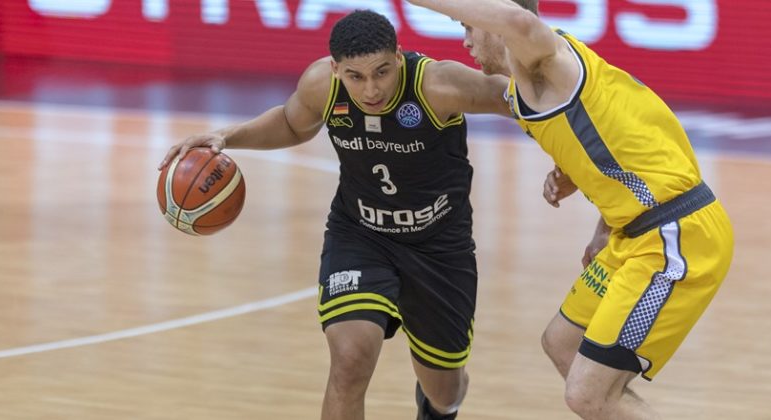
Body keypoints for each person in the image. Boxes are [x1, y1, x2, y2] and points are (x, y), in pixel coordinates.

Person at [158, 10, 511, 420]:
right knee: (349, 360)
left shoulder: (438, 85)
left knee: (445, 393)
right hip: (361, 234)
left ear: (399, 57)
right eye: (355, 76)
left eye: (381, 72)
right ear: (336, 69)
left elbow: (525, 100)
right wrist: (226, 136)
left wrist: (565, 166)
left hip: (438, 246)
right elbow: (291, 123)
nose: (371, 89)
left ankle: (436, 406)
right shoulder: (322, 85)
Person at [404, 1, 736, 418]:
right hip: (633, 231)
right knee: (562, 343)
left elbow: (519, 20)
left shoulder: (550, 65)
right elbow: (628, 139)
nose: (466, 40)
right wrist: (585, 196)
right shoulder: (527, 89)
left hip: (676, 234)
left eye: (469, 26)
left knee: (587, 395)